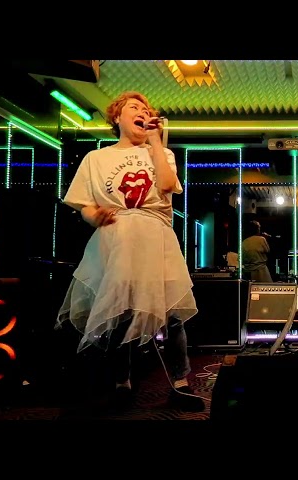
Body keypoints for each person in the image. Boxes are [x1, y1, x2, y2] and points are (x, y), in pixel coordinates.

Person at [55, 91, 202, 410]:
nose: (143, 112)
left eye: (146, 109)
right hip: (117, 237)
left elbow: (166, 185)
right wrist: (93, 216)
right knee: (121, 310)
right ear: (117, 117)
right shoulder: (96, 159)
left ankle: (180, 383)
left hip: (155, 235)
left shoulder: (162, 153)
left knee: (172, 314)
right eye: (134, 108)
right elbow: (83, 204)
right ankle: (123, 383)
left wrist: (156, 141)